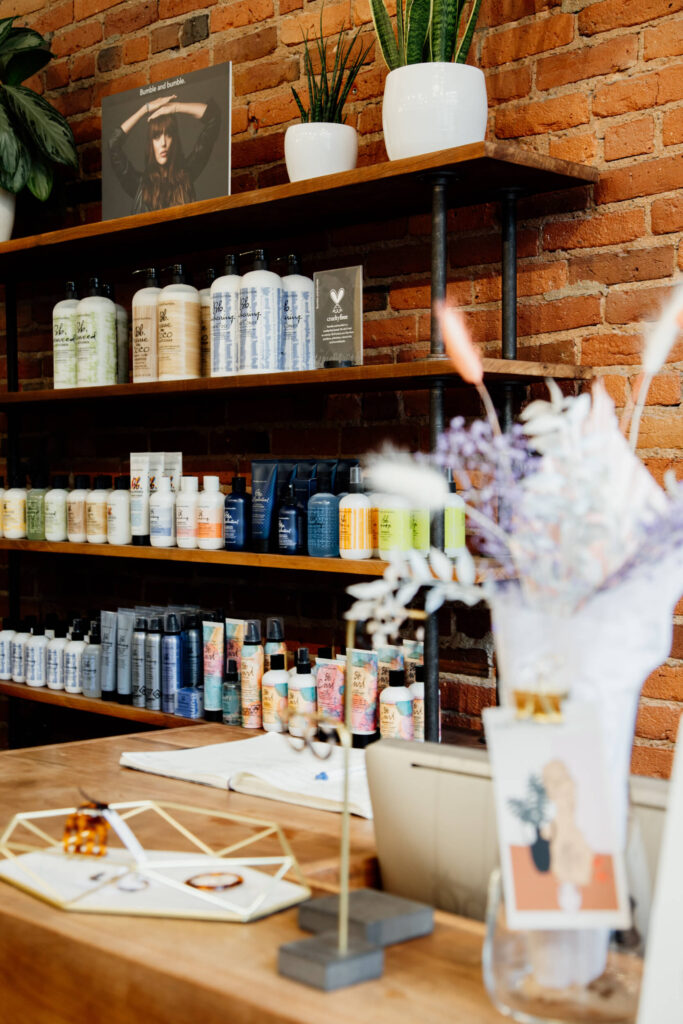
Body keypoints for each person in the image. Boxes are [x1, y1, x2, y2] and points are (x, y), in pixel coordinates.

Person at [108, 94, 220, 214]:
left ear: (174, 140)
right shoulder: (139, 185)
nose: (163, 143)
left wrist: (175, 107)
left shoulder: (186, 175)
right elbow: (113, 144)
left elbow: (214, 117)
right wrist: (145, 109)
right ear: (150, 143)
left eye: (168, 135)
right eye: (156, 137)